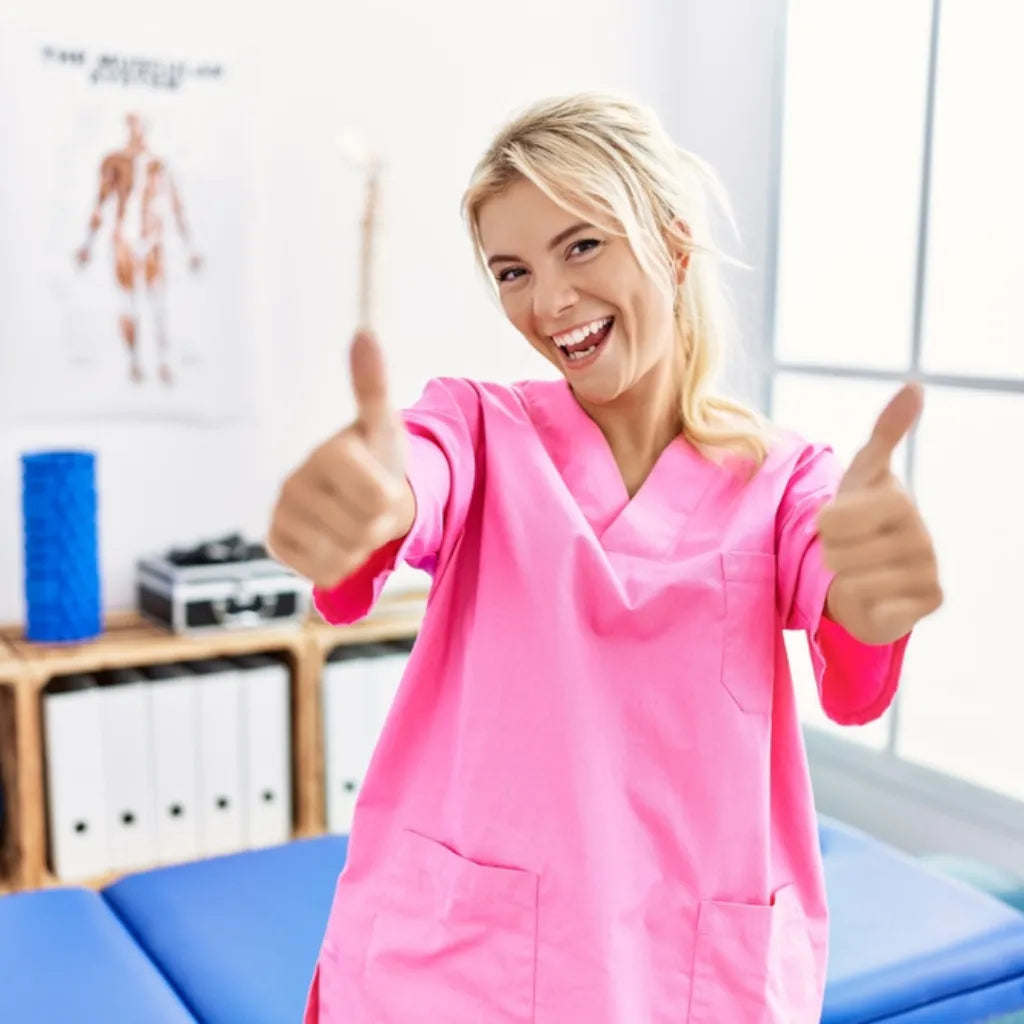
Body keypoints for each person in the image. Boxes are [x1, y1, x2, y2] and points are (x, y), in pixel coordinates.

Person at [268, 92, 942, 1023]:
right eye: (512, 271)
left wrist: (874, 583)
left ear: (672, 242)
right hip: (460, 976)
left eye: (581, 246)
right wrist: (374, 499)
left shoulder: (787, 482)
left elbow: (848, 607)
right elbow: (412, 478)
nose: (548, 303)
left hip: (686, 977)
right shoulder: (477, 427)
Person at [75, 112, 203, 386]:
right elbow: (100, 202)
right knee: (129, 303)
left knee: (158, 303)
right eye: (134, 127)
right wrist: (88, 243)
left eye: (142, 128)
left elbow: (176, 206)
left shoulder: (158, 165)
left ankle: (163, 362)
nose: (138, 133)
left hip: (152, 240)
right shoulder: (114, 162)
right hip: (124, 240)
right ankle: (134, 362)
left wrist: (190, 247)